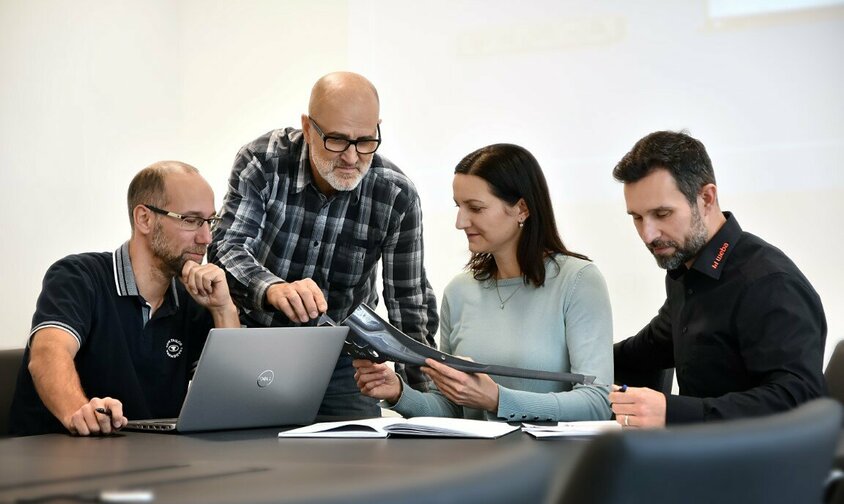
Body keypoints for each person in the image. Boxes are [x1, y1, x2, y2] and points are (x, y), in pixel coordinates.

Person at [208, 71, 438, 416]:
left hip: (343, 360)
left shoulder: (395, 194)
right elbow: (226, 248)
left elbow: (408, 301)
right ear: (307, 127)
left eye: (365, 141)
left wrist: (425, 406)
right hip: (256, 346)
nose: (351, 156)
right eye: (336, 139)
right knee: (248, 457)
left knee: (354, 462)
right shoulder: (263, 161)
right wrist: (272, 289)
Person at [353, 144, 613, 422]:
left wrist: (496, 399)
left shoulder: (579, 281)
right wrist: (398, 392)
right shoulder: (459, 291)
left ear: (521, 209)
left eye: (475, 208)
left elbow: (597, 402)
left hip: (552, 460)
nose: (460, 221)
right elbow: (451, 409)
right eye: (459, 207)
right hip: (474, 458)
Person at [608, 131, 826, 428]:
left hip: (756, 467)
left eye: (662, 213)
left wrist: (673, 413)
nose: (648, 234)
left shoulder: (769, 283)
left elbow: (798, 402)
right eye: (637, 217)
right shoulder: (685, 271)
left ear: (706, 198)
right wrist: (572, 359)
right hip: (702, 456)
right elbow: (647, 349)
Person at [9, 161, 240, 436]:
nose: (207, 237)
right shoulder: (79, 277)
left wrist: (223, 309)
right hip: (56, 459)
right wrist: (78, 412)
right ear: (144, 218)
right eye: (191, 220)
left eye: (210, 221)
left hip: (154, 464)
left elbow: (230, 401)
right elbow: (48, 354)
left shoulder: (192, 299)